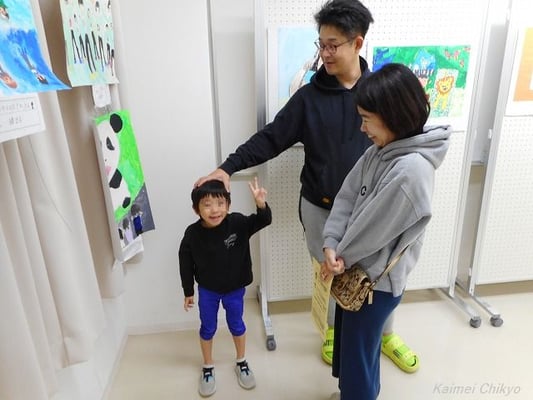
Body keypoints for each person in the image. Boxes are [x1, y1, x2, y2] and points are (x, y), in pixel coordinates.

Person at [195, 0, 418, 372]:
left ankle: (386, 333)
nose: (324, 53)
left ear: (357, 43)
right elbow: (271, 138)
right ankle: (332, 329)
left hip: (375, 209)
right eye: (321, 44)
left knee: (383, 272)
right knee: (328, 270)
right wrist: (227, 168)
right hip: (321, 206)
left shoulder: (382, 92)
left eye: (333, 45)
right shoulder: (309, 98)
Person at [321, 63, 451, 400]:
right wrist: (331, 244)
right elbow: (347, 196)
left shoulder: (411, 171)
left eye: (367, 119)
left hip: (374, 285)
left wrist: (337, 257)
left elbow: (371, 232)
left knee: (360, 358)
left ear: (393, 115)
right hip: (355, 273)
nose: (362, 127)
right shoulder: (377, 152)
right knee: (355, 351)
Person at [178, 178, 272, 397]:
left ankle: (241, 361)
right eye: (207, 204)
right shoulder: (192, 234)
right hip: (208, 291)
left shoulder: (237, 223)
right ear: (196, 209)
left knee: (236, 324)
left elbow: (264, 220)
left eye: (220, 203)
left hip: (234, 289)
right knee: (207, 327)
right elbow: (185, 262)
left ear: (228, 205)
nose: (215, 210)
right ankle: (208, 366)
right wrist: (188, 291)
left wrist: (260, 204)